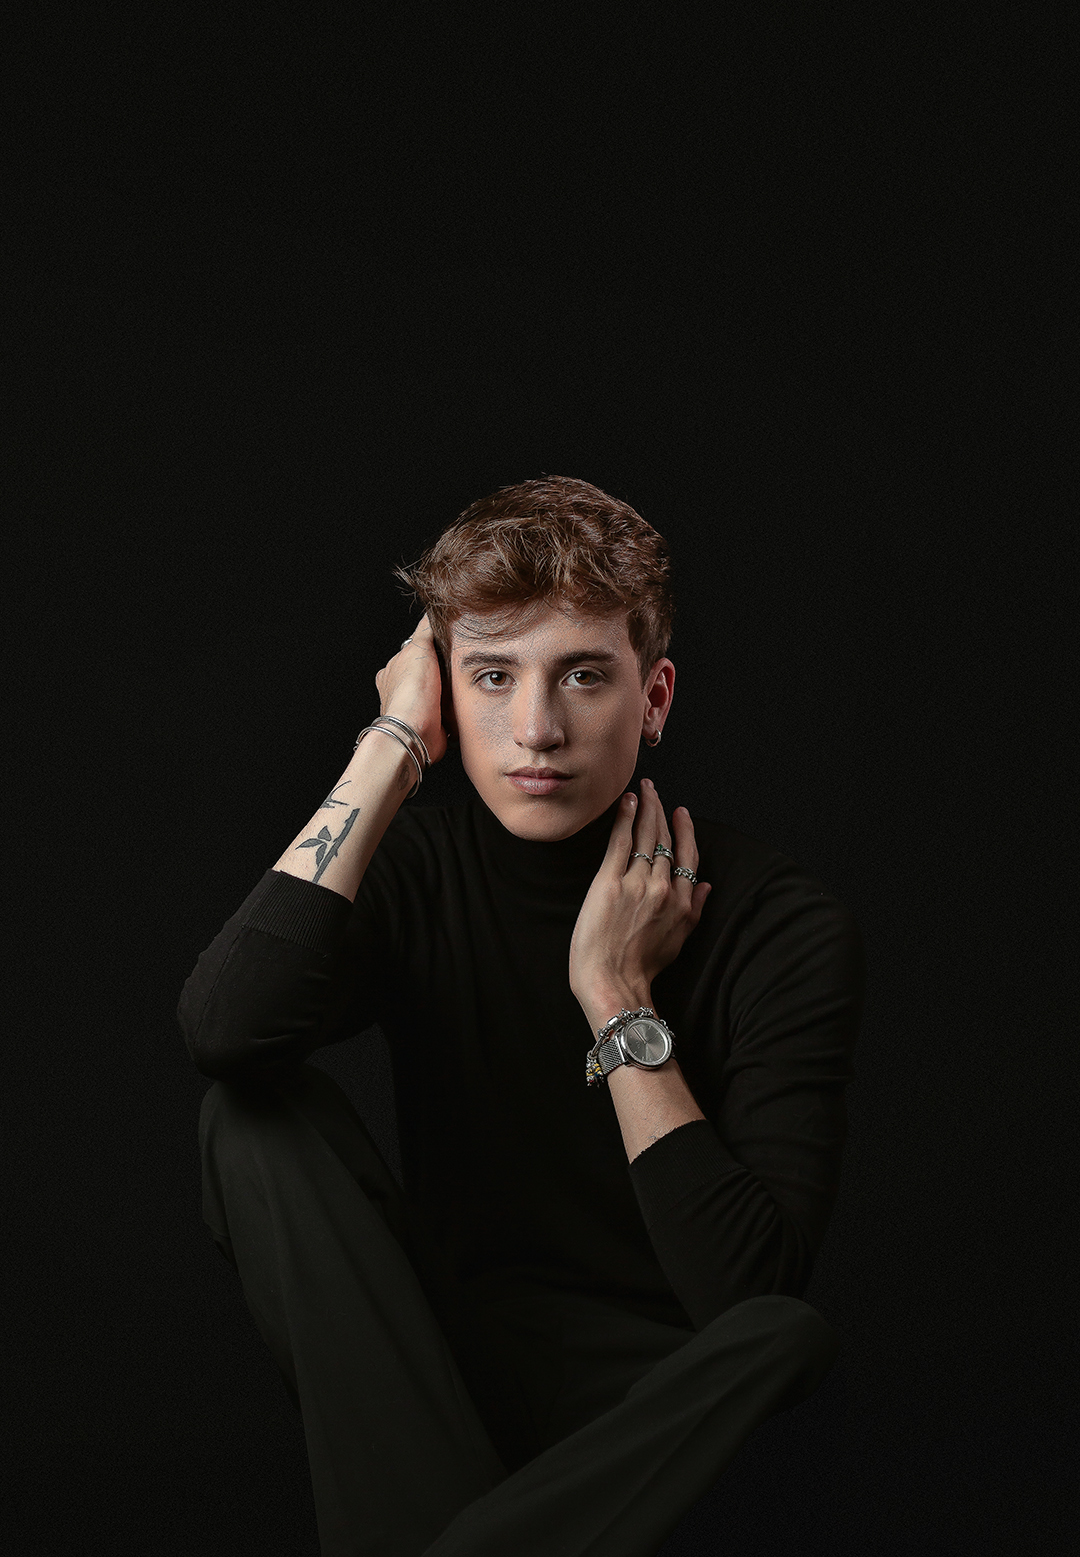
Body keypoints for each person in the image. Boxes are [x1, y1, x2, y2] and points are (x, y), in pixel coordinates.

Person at [178, 475, 865, 1557]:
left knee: (785, 1336)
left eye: (583, 676)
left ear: (655, 699)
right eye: (492, 676)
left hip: (644, 1408)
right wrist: (391, 744)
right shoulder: (417, 872)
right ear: (444, 690)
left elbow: (745, 1293)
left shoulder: (779, 922)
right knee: (250, 1114)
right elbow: (225, 1029)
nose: (537, 729)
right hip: (432, 1365)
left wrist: (614, 992)